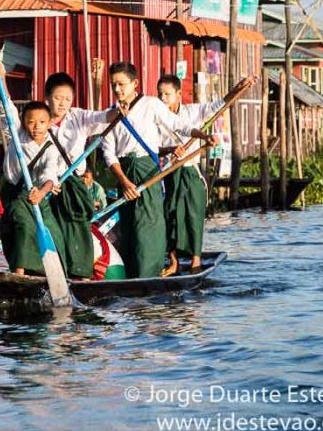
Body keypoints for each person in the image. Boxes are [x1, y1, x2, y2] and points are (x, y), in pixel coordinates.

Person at [0, 63, 118, 279]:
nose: (63, 104)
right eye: (58, 98)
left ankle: (77, 274)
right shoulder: (33, 119)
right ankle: (31, 273)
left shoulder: (79, 117)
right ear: (48, 96)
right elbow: (7, 111)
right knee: (30, 227)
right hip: (35, 186)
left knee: (74, 230)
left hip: (67, 184)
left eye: (68, 99)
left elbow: (103, 117)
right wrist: (0, 79)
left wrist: (117, 112)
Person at [100, 62, 212, 280]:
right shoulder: (111, 114)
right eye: (113, 85)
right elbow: (108, 153)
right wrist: (123, 181)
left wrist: (203, 136)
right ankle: (130, 276)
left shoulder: (151, 105)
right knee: (129, 228)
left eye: (122, 84)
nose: (117, 90)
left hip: (147, 172)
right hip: (124, 174)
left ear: (135, 84)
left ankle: (148, 276)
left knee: (148, 226)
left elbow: (178, 125)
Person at [157, 74, 254, 275]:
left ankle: (195, 260)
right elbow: (153, 147)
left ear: (178, 94)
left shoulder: (193, 111)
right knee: (171, 214)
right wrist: (169, 150)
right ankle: (173, 261)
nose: (163, 99)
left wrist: (238, 87)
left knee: (194, 214)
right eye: (160, 94)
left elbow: (219, 105)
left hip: (190, 171)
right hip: (170, 172)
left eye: (167, 94)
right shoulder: (156, 117)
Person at [0, 101, 64, 276]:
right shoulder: (17, 134)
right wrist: (2, 78)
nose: (36, 127)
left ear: (50, 123)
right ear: (24, 122)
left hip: (37, 193)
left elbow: (50, 176)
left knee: (55, 232)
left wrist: (41, 193)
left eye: (42, 122)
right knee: (25, 226)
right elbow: (7, 108)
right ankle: (19, 273)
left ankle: (54, 275)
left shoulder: (50, 148)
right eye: (31, 122)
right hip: (17, 196)